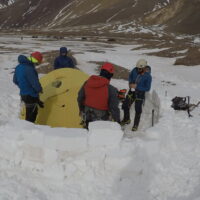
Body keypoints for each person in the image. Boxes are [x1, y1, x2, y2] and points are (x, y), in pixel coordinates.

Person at [77, 62, 120, 128]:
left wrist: (81, 109)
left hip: (87, 113)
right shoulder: (111, 89)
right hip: (102, 117)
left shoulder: (87, 83)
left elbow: (80, 97)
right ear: (111, 75)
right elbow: (114, 108)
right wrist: (118, 122)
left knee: (87, 130)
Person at [121, 59, 152, 131]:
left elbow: (147, 88)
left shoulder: (148, 76)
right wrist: (130, 83)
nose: (138, 70)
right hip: (132, 91)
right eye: (137, 68)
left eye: (140, 69)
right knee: (125, 105)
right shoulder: (134, 70)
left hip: (140, 93)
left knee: (138, 109)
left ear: (144, 68)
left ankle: (135, 124)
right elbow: (130, 76)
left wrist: (137, 87)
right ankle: (126, 119)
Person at [13, 51, 44, 123]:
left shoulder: (18, 67)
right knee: (31, 116)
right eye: (38, 62)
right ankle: (28, 131)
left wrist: (22, 86)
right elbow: (35, 83)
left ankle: (27, 129)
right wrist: (40, 89)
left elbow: (15, 80)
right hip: (30, 95)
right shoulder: (29, 69)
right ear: (36, 60)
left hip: (23, 94)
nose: (37, 64)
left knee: (28, 112)